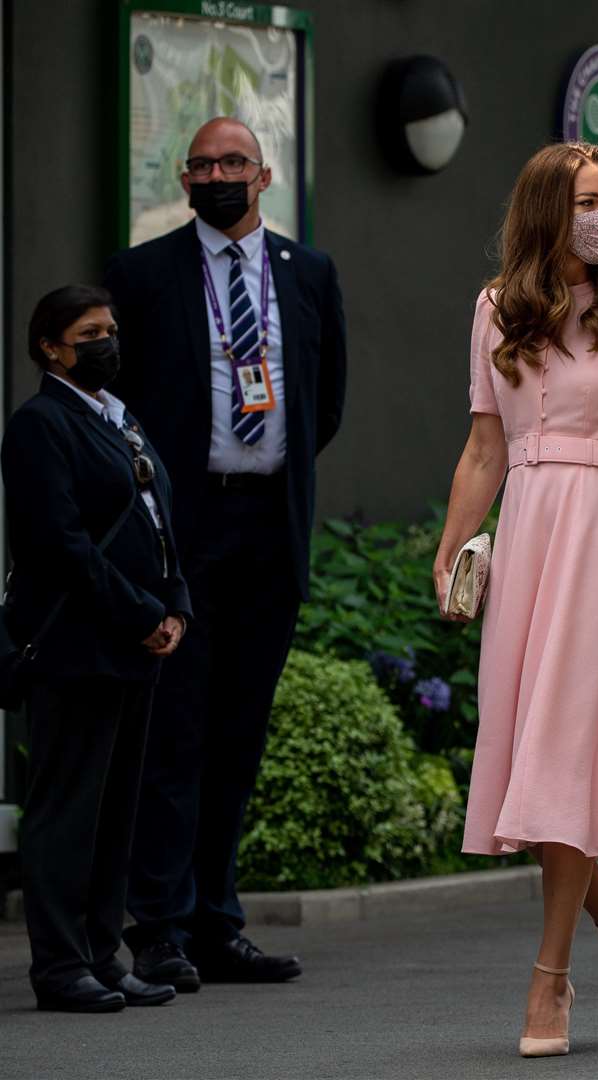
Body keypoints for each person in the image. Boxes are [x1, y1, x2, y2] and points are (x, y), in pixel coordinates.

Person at [433, 141, 598, 1058]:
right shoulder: (494, 310)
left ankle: (550, 984)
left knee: (558, 751)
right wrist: (450, 553)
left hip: (597, 533)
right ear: (546, 209)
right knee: (527, 760)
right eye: (586, 199)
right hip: (523, 536)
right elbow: (481, 448)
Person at [103, 117, 347, 991]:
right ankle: (157, 928)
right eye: (201, 164)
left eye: (231, 162)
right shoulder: (140, 274)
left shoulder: (308, 272)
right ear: (184, 177)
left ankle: (217, 923)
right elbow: (119, 405)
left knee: (238, 737)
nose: (216, 174)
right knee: (174, 734)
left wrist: (259, 467)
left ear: (264, 172)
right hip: (181, 532)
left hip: (268, 531)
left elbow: (324, 407)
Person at [4, 286, 192, 1012]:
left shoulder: (120, 419)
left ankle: (102, 956)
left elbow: (159, 517)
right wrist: (141, 612)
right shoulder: (39, 425)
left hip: (135, 648)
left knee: (116, 812)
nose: (107, 342)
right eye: (90, 332)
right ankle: (58, 966)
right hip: (76, 647)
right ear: (51, 346)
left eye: (111, 329)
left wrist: (175, 607)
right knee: (67, 812)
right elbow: (58, 544)